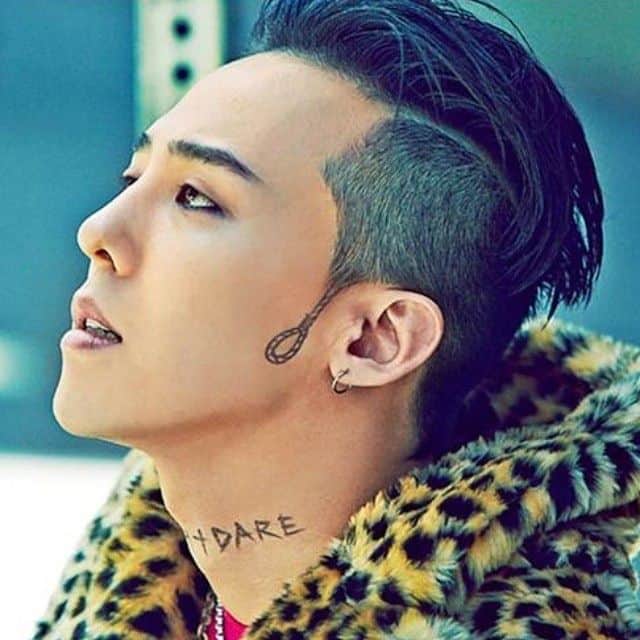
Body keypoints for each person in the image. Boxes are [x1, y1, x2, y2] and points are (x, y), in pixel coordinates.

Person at [33, 1, 640, 638]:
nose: (97, 231)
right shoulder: (122, 593)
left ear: (374, 339)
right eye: (134, 176)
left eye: (196, 198)